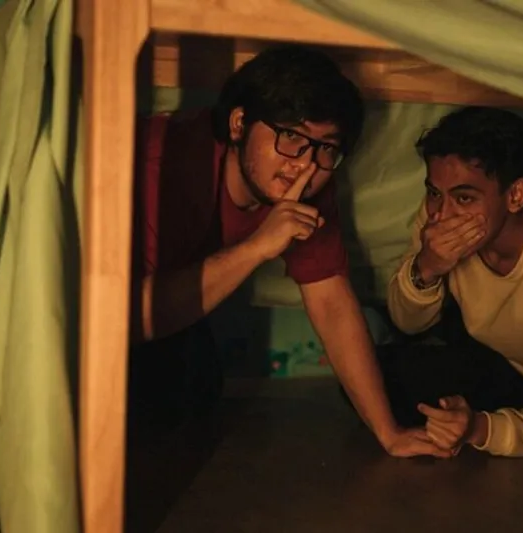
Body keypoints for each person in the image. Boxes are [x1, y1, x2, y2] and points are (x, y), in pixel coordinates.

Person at [127, 44, 450, 459]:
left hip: (164, 301)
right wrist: (258, 247)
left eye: (325, 147)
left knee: (194, 386)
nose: (305, 165)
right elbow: (126, 319)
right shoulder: (165, 166)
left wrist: (390, 433)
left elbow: (331, 301)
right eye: (291, 136)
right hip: (82, 302)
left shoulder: (307, 177)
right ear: (239, 123)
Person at [381, 106, 523, 457]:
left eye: (464, 198)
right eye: (434, 193)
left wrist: (479, 428)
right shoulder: (436, 216)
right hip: (476, 342)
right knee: (371, 379)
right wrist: (426, 267)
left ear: (516, 196)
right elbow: (406, 322)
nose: (442, 214)